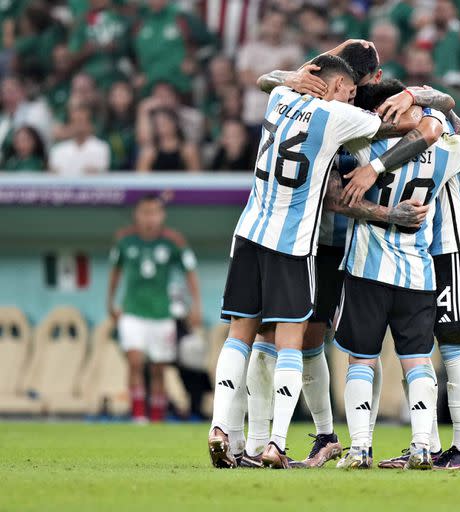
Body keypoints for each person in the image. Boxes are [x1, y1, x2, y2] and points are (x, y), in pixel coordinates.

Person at [207, 54, 429, 470]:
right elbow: (412, 127)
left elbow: (269, 78)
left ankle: (221, 428)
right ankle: (272, 443)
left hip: (249, 232)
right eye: (348, 89)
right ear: (331, 85)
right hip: (294, 244)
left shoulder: (279, 96)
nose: (352, 96)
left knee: (242, 336)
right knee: (291, 344)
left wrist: (294, 75)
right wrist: (412, 101)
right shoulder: (338, 118)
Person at [333, 79, 460, 471]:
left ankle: (361, 447)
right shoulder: (445, 149)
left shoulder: (363, 146)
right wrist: (434, 105)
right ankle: (421, 447)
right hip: (418, 271)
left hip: (368, 268)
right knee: (418, 361)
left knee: (361, 361)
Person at [107, 194, 202, 423]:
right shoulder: (124, 240)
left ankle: (157, 417)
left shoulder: (173, 241)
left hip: (162, 313)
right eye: (145, 212)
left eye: (154, 213)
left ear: (162, 215)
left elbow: (190, 272)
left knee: (159, 369)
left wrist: (196, 306)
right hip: (132, 311)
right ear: (136, 215)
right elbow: (115, 272)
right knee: (135, 361)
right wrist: (110, 302)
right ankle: (139, 415)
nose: (149, 218)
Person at [48, 105, 110, 175]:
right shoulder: (58, 150)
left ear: (90, 124)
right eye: (75, 121)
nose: (79, 125)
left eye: (82, 121)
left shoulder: (101, 147)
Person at [136, 108, 201, 172]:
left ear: (175, 123)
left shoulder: (188, 149)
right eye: (157, 124)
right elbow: (141, 178)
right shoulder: (149, 152)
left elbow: (196, 176)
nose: (161, 127)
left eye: (165, 123)